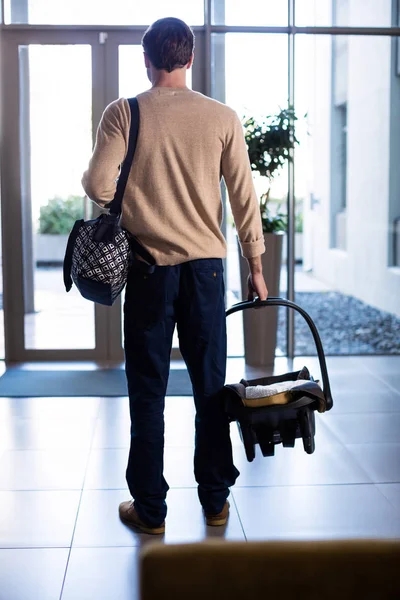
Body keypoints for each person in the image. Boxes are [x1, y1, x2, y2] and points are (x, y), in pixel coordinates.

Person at [82, 17, 268, 535]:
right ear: (189, 60)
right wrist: (255, 265)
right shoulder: (222, 117)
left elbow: (98, 184)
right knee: (210, 386)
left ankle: (151, 510)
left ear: (146, 60)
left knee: (148, 390)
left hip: (147, 272)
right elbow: (243, 197)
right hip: (206, 273)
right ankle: (214, 500)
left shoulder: (124, 112)